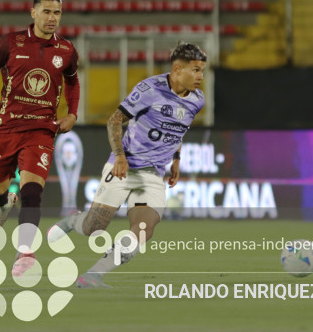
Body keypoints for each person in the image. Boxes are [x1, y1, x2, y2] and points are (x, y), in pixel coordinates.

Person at [48, 42, 207, 288]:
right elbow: (115, 120)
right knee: (94, 227)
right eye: (196, 70)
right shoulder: (149, 89)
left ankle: (93, 275)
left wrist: (176, 159)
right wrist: (120, 156)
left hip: (153, 174)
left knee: (144, 229)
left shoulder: (197, 100)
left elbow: (178, 130)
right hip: (124, 167)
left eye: (202, 71)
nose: (200, 77)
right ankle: (72, 221)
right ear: (177, 70)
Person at [0, 0, 80, 277]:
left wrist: (72, 113)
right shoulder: (10, 43)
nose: (52, 18)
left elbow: (73, 82)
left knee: (33, 192)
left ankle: (25, 252)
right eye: (47, 11)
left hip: (41, 130)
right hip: (6, 128)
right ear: (33, 12)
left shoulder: (66, 50)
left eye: (57, 13)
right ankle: (5, 203)